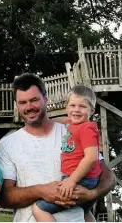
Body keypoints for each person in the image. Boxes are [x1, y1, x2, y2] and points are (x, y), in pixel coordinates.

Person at [0, 73, 116, 222]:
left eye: (34, 100)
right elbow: (5, 198)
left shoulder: (72, 130)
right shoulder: (6, 145)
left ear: (46, 99)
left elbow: (108, 176)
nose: (29, 107)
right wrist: (41, 191)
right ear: (16, 105)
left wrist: (92, 194)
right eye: (22, 102)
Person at [32, 85, 101, 222]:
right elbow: (64, 120)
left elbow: (92, 157)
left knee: (38, 209)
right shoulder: (74, 123)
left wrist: (71, 181)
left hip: (82, 179)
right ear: (66, 107)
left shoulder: (86, 128)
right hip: (87, 179)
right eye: (72, 106)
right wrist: (44, 122)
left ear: (92, 110)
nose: (76, 110)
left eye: (82, 106)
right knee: (84, 211)